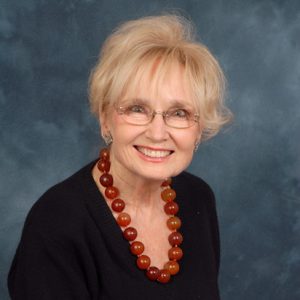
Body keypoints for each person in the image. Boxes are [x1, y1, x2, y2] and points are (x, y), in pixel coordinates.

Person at [8, 14, 232, 299]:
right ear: (105, 117)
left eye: (179, 113)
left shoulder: (197, 198)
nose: (158, 132)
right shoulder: (57, 222)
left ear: (198, 129)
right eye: (137, 109)